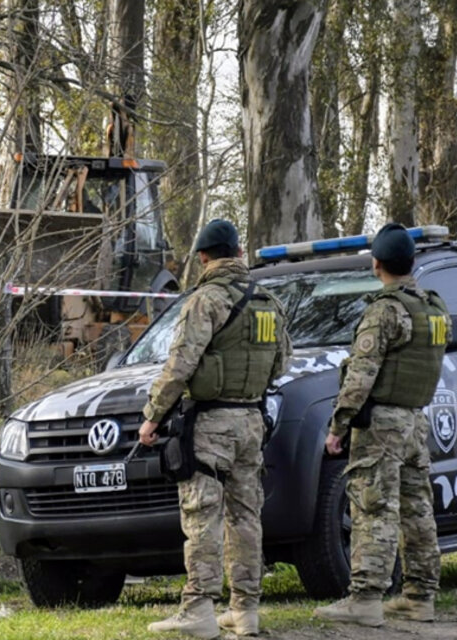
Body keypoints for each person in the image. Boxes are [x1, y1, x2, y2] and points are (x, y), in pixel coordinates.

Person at [138, 218, 292, 639]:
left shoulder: (205, 301)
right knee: (246, 515)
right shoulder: (268, 301)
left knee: (201, 514)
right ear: (239, 253)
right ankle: (245, 611)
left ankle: (199, 609)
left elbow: (180, 364)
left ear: (203, 257)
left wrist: (153, 416)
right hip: (251, 421)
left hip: (209, 422)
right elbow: (282, 363)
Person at [314, 223, 448, 627]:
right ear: (411, 261)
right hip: (415, 421)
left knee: (374, 507)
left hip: (383, 424)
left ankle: (366, 598)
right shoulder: (434, 307)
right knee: (417, 509)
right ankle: (420, 596)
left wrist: (338, 426)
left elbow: (360, 377)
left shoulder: (385, 310)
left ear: (376, 264)